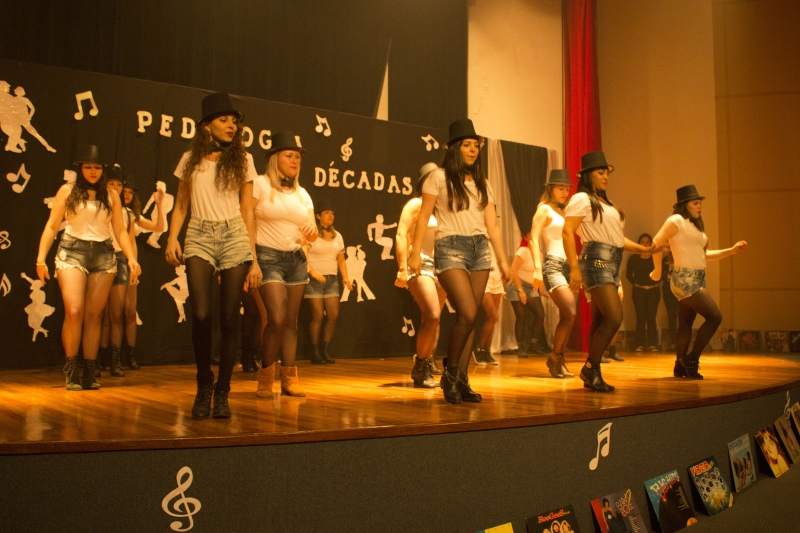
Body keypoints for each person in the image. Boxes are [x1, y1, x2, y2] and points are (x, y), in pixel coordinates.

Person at [165, 93, 260, 419]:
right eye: (223, 120)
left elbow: (248, 210)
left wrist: (253, 257)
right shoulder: (189, 159)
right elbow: (181, 204)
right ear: (206, 126)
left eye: (234, 121)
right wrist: (172, 237)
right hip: (200, 234)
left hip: (234, 235)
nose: (231, 125)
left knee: (230, 316)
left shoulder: (244, 160)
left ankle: (222, 391)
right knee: (202, 313)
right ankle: (203, 382)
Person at [409, 119, 510, 404]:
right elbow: (423, 217)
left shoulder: (482, 182)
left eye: (476, 145)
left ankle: (461, 379)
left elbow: (493, 225)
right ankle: (450, 374)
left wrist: (503, 261)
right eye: (467, 145)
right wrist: (415, 253)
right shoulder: (438, 177)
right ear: (454, 148)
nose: (473, 150)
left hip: (480, 250)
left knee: (472, 316)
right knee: (466, 312)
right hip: (450, 246)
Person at [35, 144, 141, 390]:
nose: (92, 171)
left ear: (103, 169)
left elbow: (120, 230)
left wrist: (131, 257)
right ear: (80, 168)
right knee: (74, 311)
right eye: (88, 167)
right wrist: (41, 259)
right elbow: (52, 226)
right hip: (72, 250)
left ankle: (90, 369)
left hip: (103, 252)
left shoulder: (111, 195)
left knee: (95, 316)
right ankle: (72, 367)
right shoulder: (67, 191)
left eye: (97, 167)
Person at [562, 151, 653, 392]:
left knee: (601, 320)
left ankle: (593, 372)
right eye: (601, 172)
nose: (606, 177)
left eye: (607, 173)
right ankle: (590, 368)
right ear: (587, 175)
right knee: (614, 317)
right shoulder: (582, 199)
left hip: (612, 261)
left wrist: (644, 248)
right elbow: (567, 231)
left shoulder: (605, 203)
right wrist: (574, 268)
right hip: (596, 261)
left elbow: (618, 239)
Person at [651, 185, 746, 379]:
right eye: (695, 203)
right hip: (684, 278)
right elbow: (656, 242)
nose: (699, 206)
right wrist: (658, 270)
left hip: (697, 277)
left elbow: (705, 255)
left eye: (700, 203)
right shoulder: (676, 220)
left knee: (685, 323)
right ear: (685, 205)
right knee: (715, 317)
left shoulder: (694, 225)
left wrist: (731, 251)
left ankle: (680, 366)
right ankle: (691, 359)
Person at [251, 131, 317, 398]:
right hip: (267, 258)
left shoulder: (303, 194)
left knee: (291, 321)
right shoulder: (259, 184)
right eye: (289, 155)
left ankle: (289, 378)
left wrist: (311, 232)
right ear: (274, 158)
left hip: (296, 260)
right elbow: (245, 219)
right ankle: (265, 376)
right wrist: (251, 260)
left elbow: (312, 234)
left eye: (298, 157)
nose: (294, 161)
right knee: (276, 319)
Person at [395, 163, 448, 388]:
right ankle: (421, 365)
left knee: (432, 320)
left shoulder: (443, 208)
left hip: (442, 266)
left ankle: (424, 366)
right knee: (433, 315)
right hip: (420, 264)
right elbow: (401, 234)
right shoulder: (416, 204)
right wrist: (402, 267)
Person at [531, 169, 577, 378]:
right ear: (550, 189)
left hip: (570, 267)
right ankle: (554, 358)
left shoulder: (565, 213)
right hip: (553, 265)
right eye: (560, 188)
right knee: (570, 312)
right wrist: (537, 269)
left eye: (567, 189)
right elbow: (533, 238)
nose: (565, 192)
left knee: (568, 317)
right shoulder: (544, 210)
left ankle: (558, 359)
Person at [118, 177, 164, 369]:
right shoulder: (113, 212)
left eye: (130, 192)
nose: (127, 195)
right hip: (112, 263)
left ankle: (130, 355)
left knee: (130, 312)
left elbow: (159, 227)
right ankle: (105, 357)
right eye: (125, 191)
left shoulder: (133, 216)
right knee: (110, 315)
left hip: (130, 267)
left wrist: (159, 204)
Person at [305, 198, 352, 364]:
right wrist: (313, 272)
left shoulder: (337, 236)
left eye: (332, 213)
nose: (331, 216)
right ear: (318, 216)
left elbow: (341, 260)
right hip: (314, 279)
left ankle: (325, 349)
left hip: (331, 279)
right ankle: (314, 351)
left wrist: (345, 278)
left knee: (333, 315)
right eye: (326, 213)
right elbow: (303, 256)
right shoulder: (312, 234)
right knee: (318, 315)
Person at [507, 233, 547, 357]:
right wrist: (521, 291)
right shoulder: (523, 251)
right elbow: (513, 271)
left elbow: (539, 272)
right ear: (525, 237)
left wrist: (542, 290)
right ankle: (521, 346)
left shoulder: (539, 253)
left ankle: (533, 344)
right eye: (531, 235)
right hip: (516, 286)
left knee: (540, 314)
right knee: (521, 316)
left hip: (531, 286)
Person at [625, 233, 660, 353]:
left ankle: (652, 344)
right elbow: (628, 274)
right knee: (640, 317)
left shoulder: (655, 257)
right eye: (642, 242)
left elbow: (661, 274)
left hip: (654, 291)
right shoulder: (634, 258)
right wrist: (636, 284)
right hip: (638, 291)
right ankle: (639, 344)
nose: (645, 244)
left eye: (647, 242)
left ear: (651, 244)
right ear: (639, 244)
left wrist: (654, 283)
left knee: (651, 317)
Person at [474, 247, 503, 365]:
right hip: (483, 276)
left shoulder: (494, 239)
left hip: (496, 276)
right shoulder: (476, 237)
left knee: (491, 319)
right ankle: (478, 349)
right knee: (493, 317)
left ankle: (486, 351)